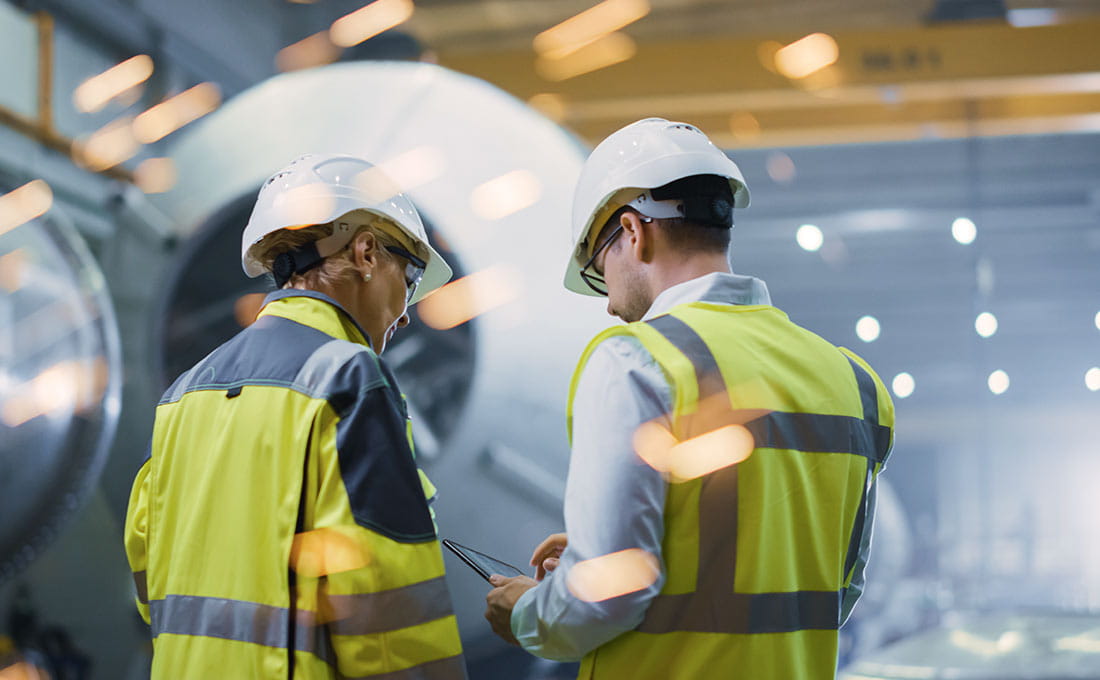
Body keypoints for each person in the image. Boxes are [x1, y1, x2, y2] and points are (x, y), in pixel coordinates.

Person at [485, 118, 895, 678]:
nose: (608, 305)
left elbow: (607, 597)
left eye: (602, 274)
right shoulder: (854, 383)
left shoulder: (638, 361)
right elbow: (831, 589)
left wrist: (528, 613)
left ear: (633, 231)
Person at [124, 153, 467, 679]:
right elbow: (385, 612)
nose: (405, 310)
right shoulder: (346, 379)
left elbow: (150, 578)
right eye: (412, 276)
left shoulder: (181, 395)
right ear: (367, 252)